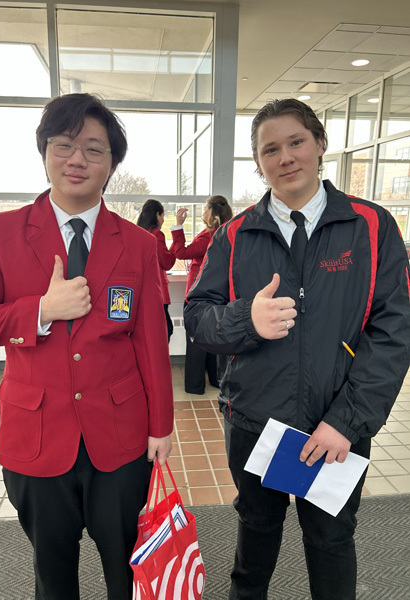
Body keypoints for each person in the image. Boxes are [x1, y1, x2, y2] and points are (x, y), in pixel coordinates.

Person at [184, 99, 410, 600]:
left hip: (334, 427)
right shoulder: (234, 235)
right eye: (270, 149)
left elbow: (394, 332)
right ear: (259, 162)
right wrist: (247, 319)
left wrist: (347, 422)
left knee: (331, 542)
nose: (285, 157)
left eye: (296, 142)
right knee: (255, 538)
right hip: (255, 426)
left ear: (320, 145)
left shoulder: (372, 228)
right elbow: (198, 317)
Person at [0, 93, 174, 600]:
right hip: (35, 436)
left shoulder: (138, 244)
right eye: (65, 145)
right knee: (52, 574)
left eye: (94, 149)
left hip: (120, 438)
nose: (77, 159)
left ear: (112, 165)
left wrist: (161, 425)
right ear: (45, 153)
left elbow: (150, 342)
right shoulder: (0, 232)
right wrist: (39, 311)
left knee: (128, 565)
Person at [170, 195, 233, 394]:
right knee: (214, 340)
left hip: (198, 295)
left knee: (196, 341)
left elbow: (181, 253)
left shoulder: (209, 236)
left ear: (212, 213)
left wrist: (178, 226)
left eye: (205, 208)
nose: (202, 212)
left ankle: (195, 385)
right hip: (219, 295)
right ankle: (216, 379)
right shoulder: (226, 233)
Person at [137, 199, 176, 342]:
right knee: (166, 330)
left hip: (142, 289)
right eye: (163, 216)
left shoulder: (139, 232)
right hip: (157, 289)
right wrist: (174, 246)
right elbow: (167, 262)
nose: (163, 220)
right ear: (157, 215)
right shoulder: (157, 234)